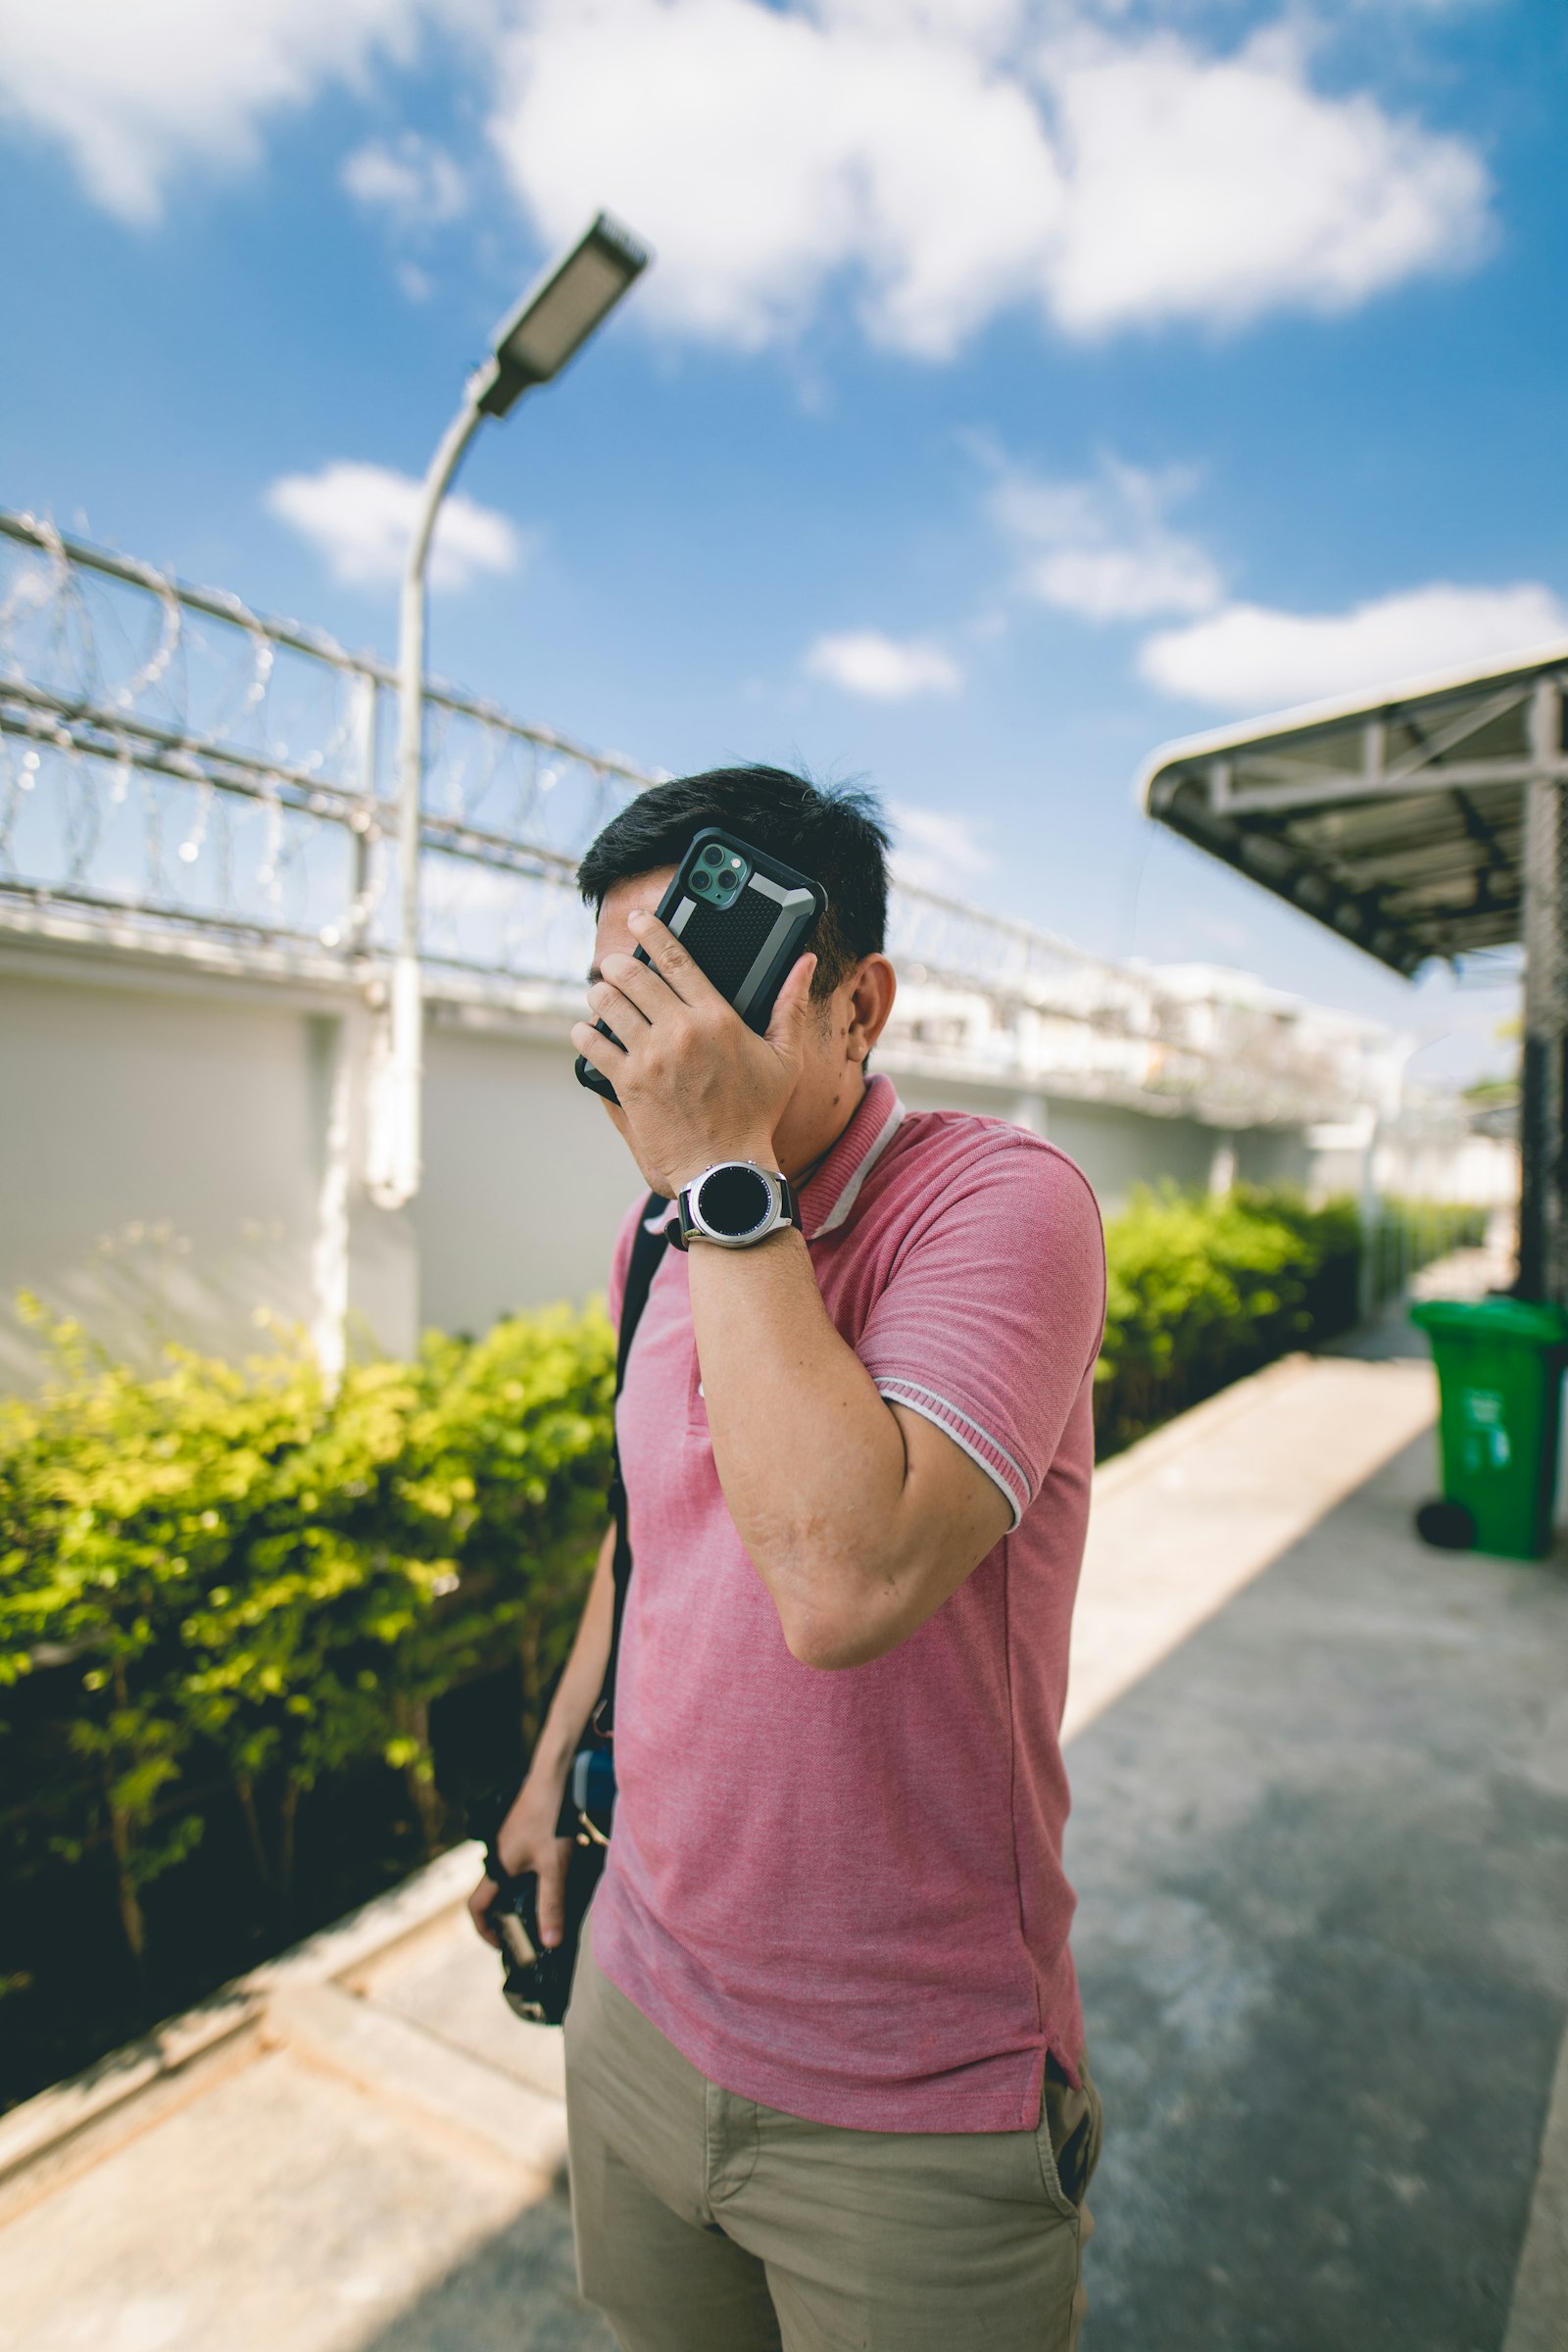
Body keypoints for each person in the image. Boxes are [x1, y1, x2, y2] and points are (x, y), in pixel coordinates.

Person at [469, 766, 1107, 2351]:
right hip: (639, 2000)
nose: (651, 1046)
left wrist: (723, 1182)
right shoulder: (658, 1235)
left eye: (697, 992)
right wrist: (554, 1776)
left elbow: (842, 1580)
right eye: (625, 994)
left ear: (854, 1005)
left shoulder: (1000, 1206)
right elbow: (651, 1542)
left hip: (911, 2100)